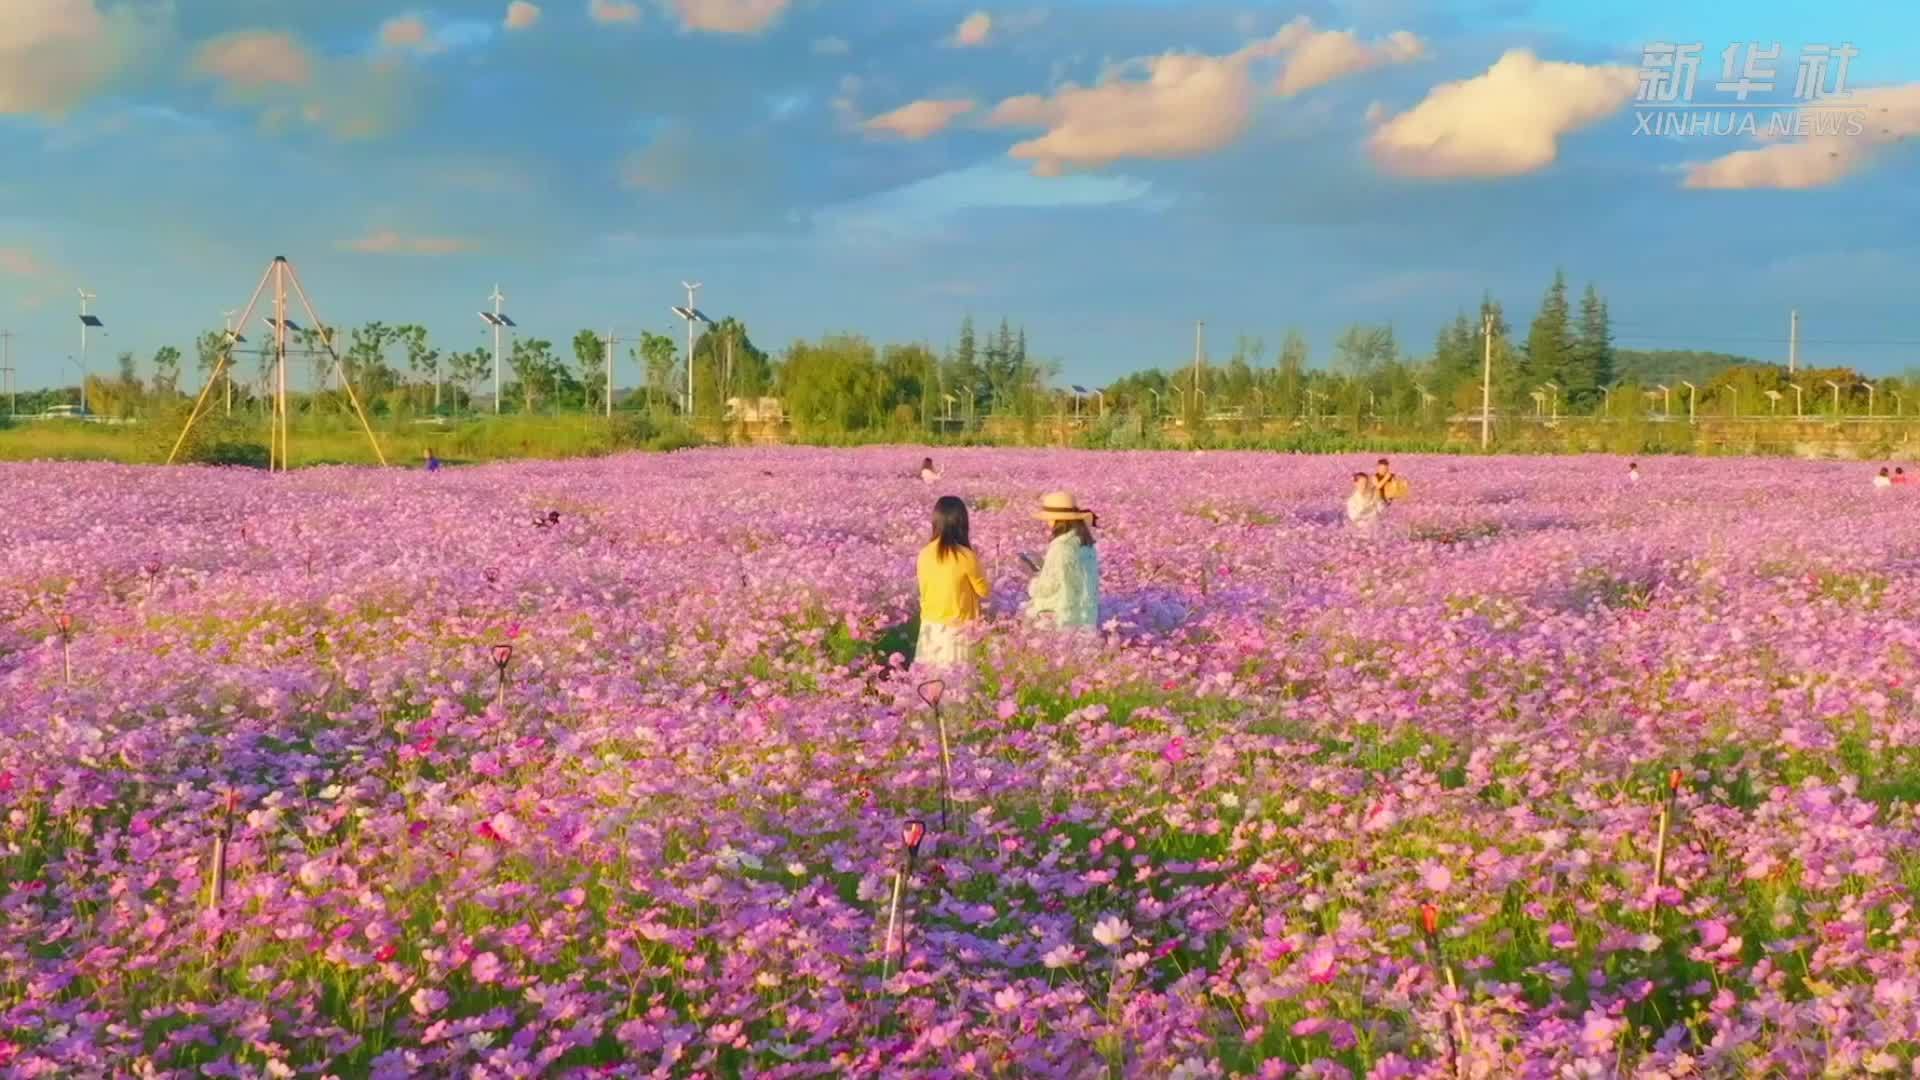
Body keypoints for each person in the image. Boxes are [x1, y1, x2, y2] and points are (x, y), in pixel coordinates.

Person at [915, 496, 990, 670]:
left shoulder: (924, 554)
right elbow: (984, 591)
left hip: (929, 629)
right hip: (957, 632)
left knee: (928, 685)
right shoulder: (966, 556)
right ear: (962, 523)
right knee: (956, 688)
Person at [1024, 492, 1101, 629]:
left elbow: (1047, 588)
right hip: (1085, 617)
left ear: (1058, 521)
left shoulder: (1061, 547)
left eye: (1049, 519)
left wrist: (1035, 580)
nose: (1048, 523)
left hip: (1060, 618)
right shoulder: (1087, 544)